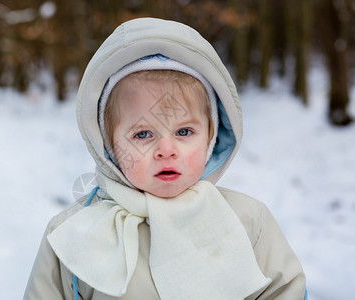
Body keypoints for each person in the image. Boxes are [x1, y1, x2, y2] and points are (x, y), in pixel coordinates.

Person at [23, 17, 307, 300]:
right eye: (143, 135)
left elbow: (284, 292)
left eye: (184, 131)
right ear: (108, 146)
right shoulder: (74, 233)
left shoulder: (247, 221)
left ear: (211, 137)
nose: (166, 150)